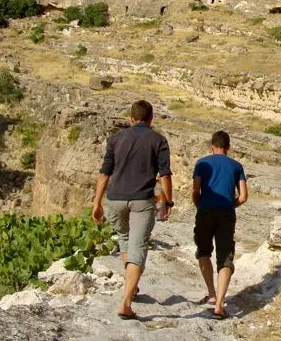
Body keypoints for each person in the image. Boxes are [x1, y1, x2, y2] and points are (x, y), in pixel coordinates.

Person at [92, 100, 173, 320]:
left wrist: (97, 202)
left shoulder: (116, 139)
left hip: (115, 199)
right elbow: (165, 175)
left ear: (131, 118)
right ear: (151, 119)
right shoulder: (158, 140)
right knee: (138, 248)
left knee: (125, 239)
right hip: (142, 200)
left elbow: (104, 173)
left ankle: (132, 287)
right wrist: (168, 202)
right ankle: (126, 303)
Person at [192, 130, 248, 320]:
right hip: (226, 213)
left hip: (205, 211)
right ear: (228, 147)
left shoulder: (202, 163)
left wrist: (200, 204)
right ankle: (219, 305)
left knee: (203, 251)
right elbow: (243, 196)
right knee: (225, 257)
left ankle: (211, 292)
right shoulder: (236, 166)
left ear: (212, 146)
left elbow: (195, 189)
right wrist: (230, 205)